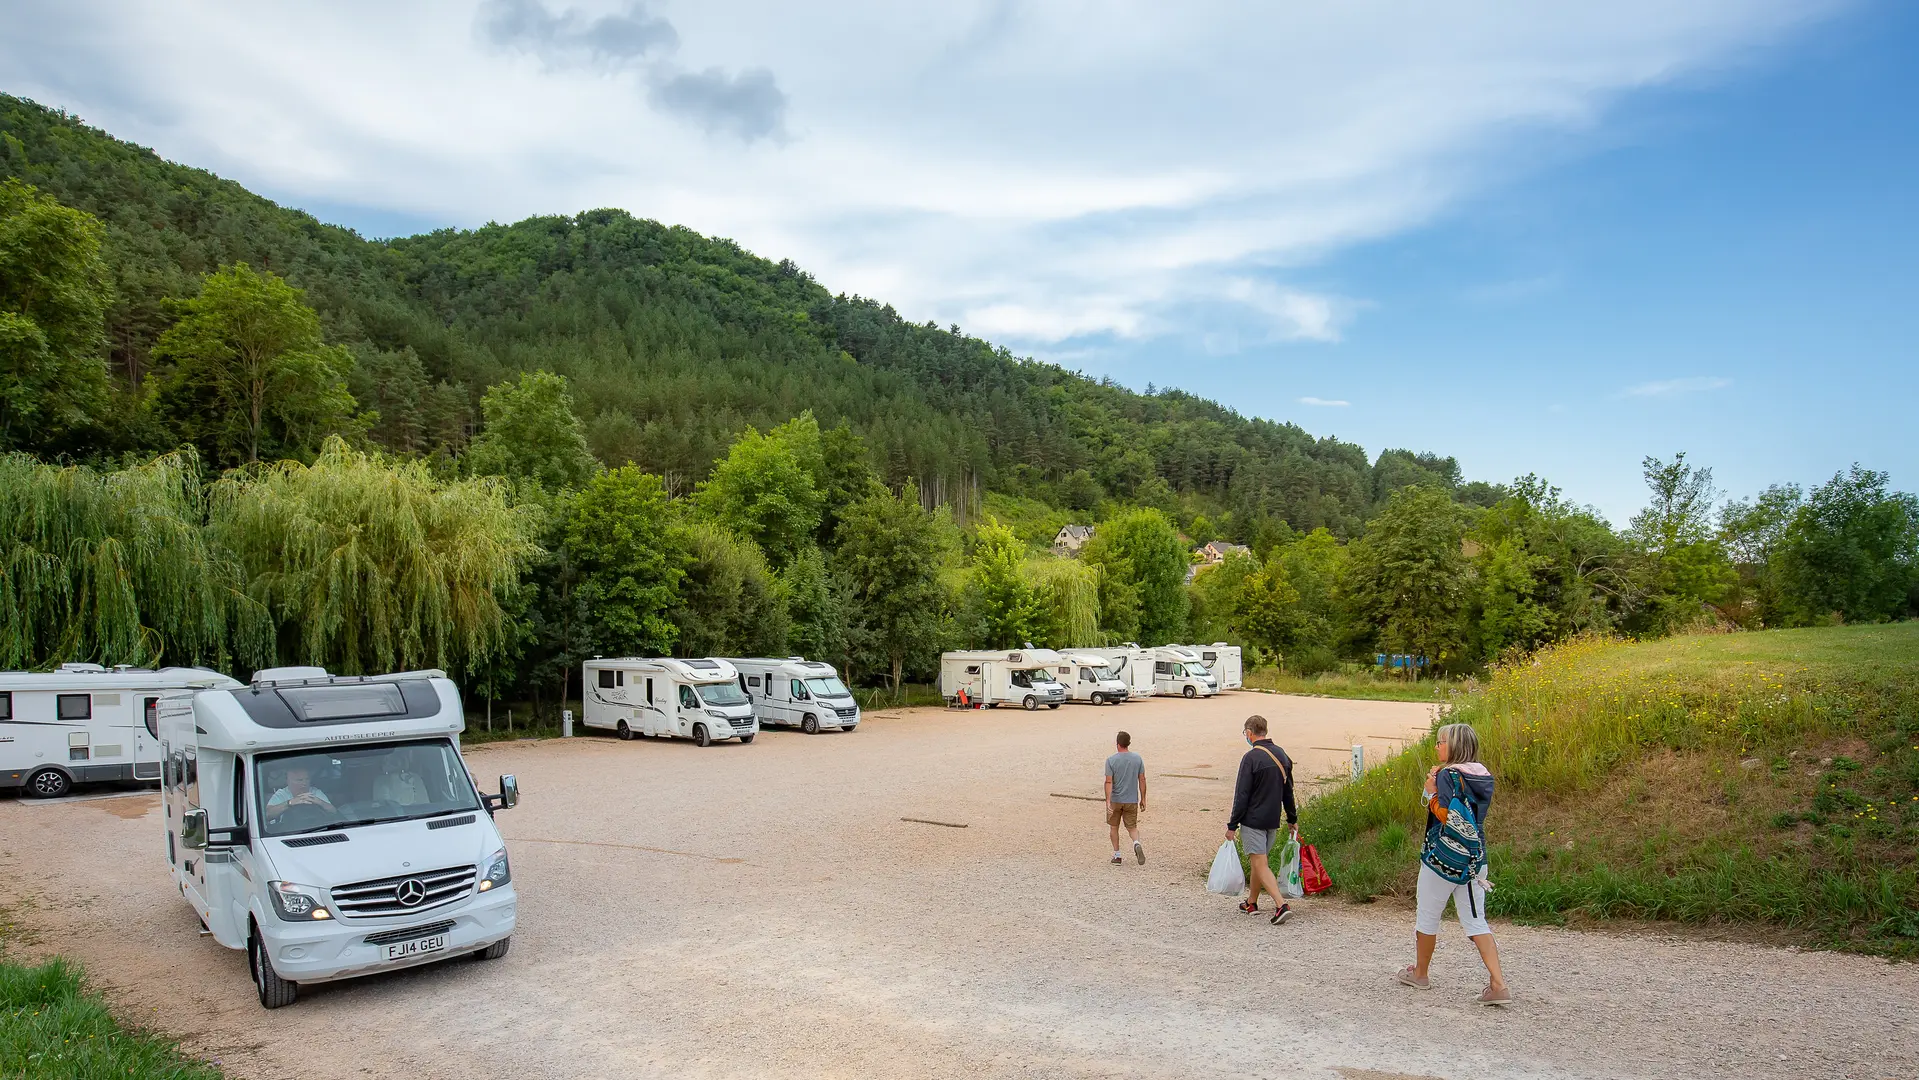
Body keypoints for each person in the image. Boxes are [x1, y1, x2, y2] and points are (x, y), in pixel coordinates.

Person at [1396, 722, 1510, 1006]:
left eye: (1441, 742)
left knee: (1428, 915)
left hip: (1443, 856)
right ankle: (1498, 984)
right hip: (1474, 857)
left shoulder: (1449, 775)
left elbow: (1447, 815)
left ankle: (1420, 973)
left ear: (1454, 746)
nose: (1437, 746)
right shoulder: (1483, 775)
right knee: (1475, 920)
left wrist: (1432, 792)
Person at [1225, 715, 1296, 925]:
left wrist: (1232, 825)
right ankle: (1251, 902)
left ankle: (1281, 905)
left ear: (1249, 733)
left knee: (1260, 864)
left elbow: (1242, 795)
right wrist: (1292, 818)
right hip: (1272, 820)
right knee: (1259, 861)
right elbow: (1288, 791)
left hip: (1253, 820)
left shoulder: (1251, 758)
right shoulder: (1282, 755)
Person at [1103, 731, 1146, 864]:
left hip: (1116, 800)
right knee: (1132, 827)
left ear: (1117, 744)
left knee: (1114, 827)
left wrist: (1108, 801)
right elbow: (1142, 779)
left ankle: (1117, 855)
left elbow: (1109, 781)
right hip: (1131, 799)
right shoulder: (1137, 759)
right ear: (1128, 743)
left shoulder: (1111, 760)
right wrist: (1143, 798)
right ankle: (1136, 843)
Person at [265, 764, 335, 822]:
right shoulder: (281, 794)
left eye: (307, 779)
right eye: (299, 780)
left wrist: (320, 802)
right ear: (288, 781)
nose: (304, 783)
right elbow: (267, 815)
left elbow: (334, 812)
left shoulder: (315, 792)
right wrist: (289, 803)